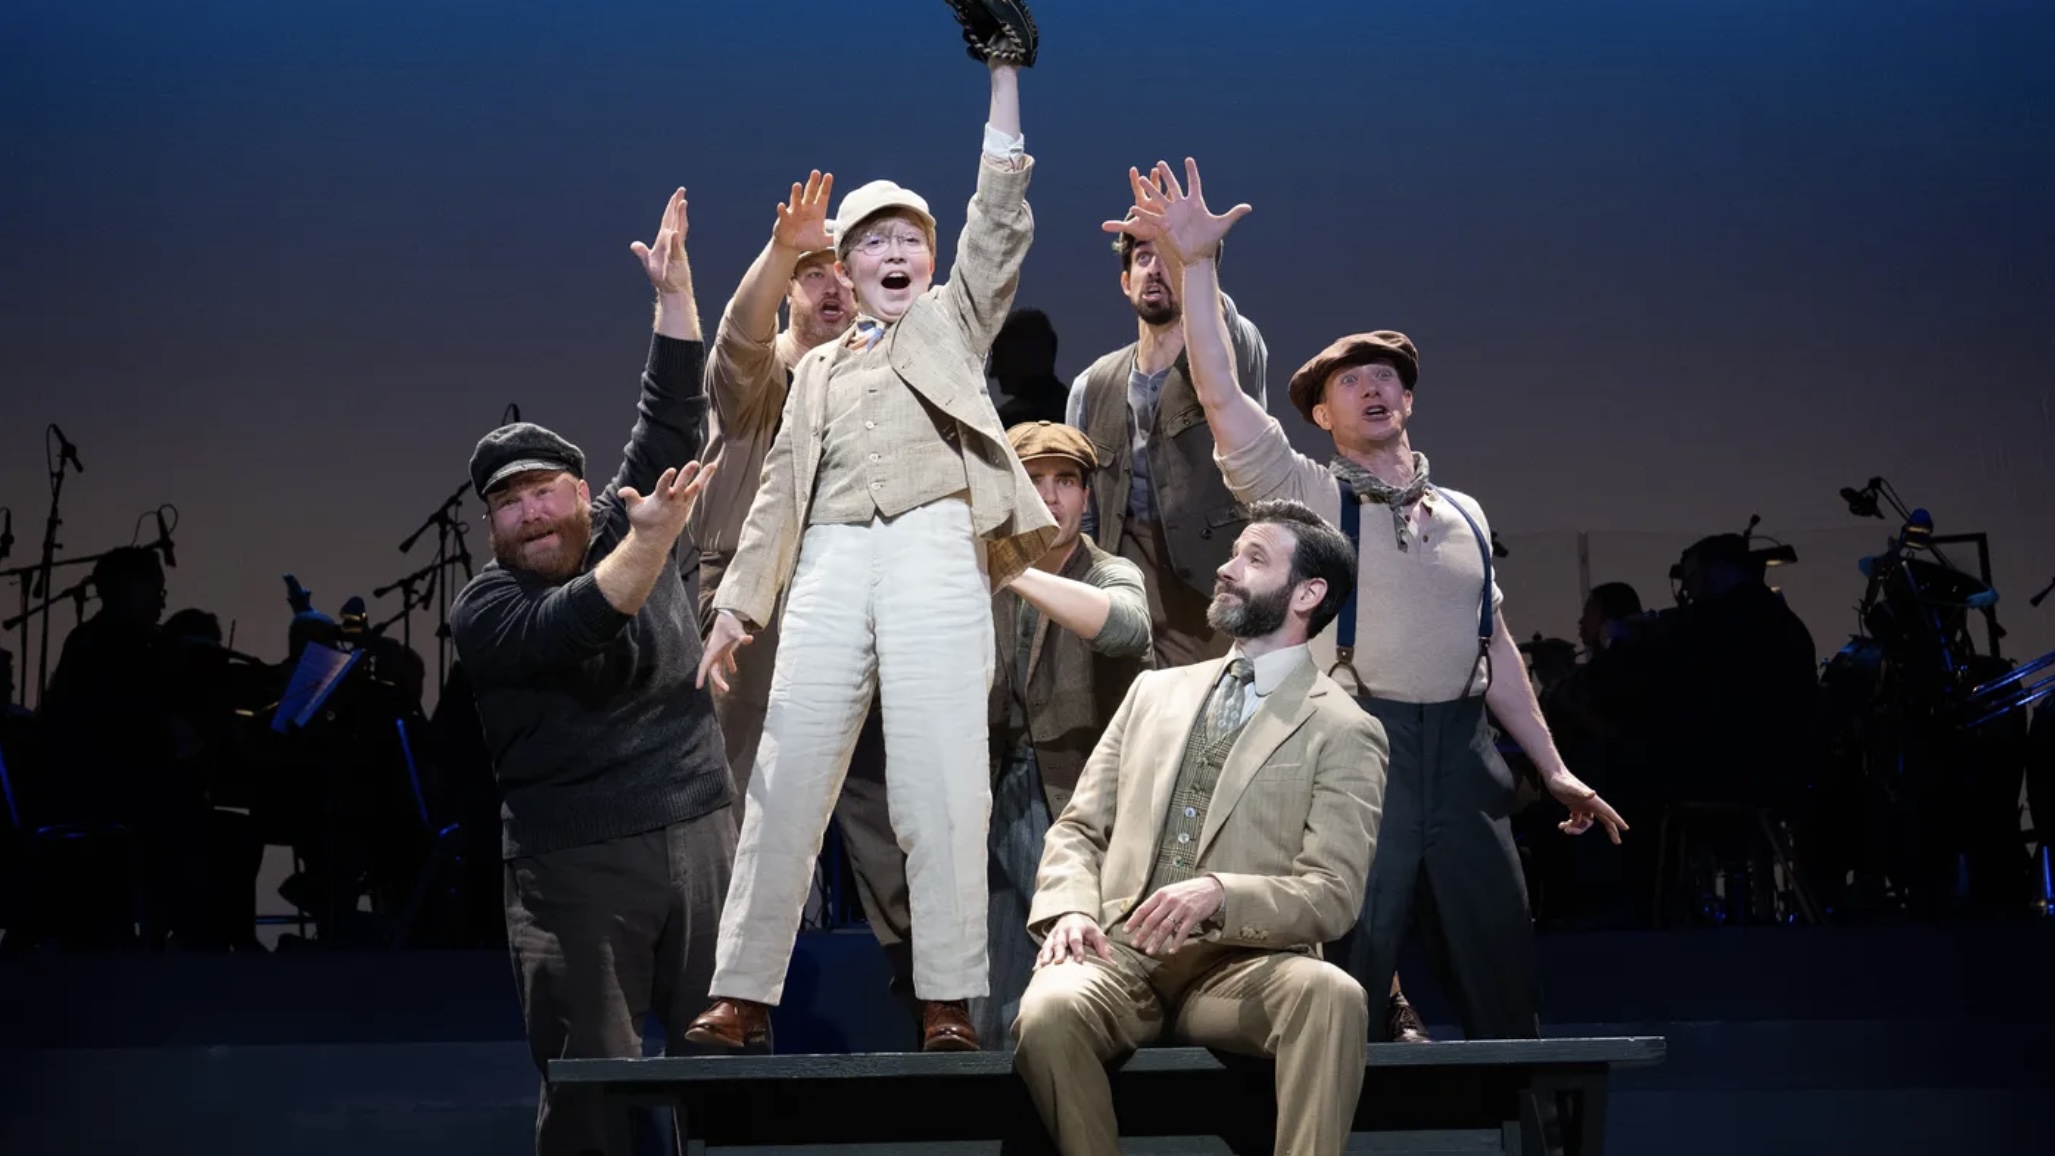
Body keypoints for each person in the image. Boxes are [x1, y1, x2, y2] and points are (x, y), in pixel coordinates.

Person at [1121, 158, 1625, 1043]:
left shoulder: (1463, 512)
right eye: (1349, 379)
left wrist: (1549, 767)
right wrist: (1196, 268)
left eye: (1386, 374)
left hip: (1465, 764)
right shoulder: (1310, 494)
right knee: (1348, 970)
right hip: (1361, 752)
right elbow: (1218, 394)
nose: (1372, 384)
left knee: (1503, 969)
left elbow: (1493, 647)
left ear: (1410, 397)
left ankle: (1527, 1132)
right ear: (1321, 414)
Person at [689, 46, 1056, 1053]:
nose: (897, 254)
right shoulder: (811, 376)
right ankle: (743, 995)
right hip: (831, 559)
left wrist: (1003, 84)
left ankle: (946, 1000)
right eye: (876, 243)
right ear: (844, 267)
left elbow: (998, 217)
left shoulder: (950, 322)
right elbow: (774, 499)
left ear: (929, 263)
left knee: (942, 778)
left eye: (911, 241)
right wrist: (736, 610)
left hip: (935, 547)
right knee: (786, 771)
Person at [448, 187, 733, 1155]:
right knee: (592, 1086)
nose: (526, 513)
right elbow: (581, 621)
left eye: (540, 491)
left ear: (582, 493)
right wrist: (648, 547)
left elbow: (668, 420)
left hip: (700, 835)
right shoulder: (486, 608)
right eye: (506, 504)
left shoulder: (622, 519)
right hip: (575, 868)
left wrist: (675, 300)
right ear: (491, 528)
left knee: (724, 1076)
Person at [1014, 498, 1386, 1156]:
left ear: (1308, 593)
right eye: (1232, 552)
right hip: (1119, 956)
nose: (1226, 567)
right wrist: (1069, 908)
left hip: (1242, 969)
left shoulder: (1344, 728)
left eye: (1253, 557)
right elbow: (1079, 828)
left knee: (1332, 994)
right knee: (1046, 1013)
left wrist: (1221, 892)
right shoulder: (1156, 692)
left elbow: (1332, 893)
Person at [691, 170, 917, 1019]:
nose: (829, 286)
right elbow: (736, 339)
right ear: (790, 285)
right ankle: (730, 991)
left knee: (878, 792)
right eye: (811, 271)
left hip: (854, 588)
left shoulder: (876, 370)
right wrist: (782, 245)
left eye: (838, 269)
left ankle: (924, 984)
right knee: (746, 791)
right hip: (751, 601)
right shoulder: (761, 377)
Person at [977, 420, 1151, 1044]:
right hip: (996, 790)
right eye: (1034, 480)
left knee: (1072, 984)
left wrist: (1015, 571)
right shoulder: (977, 571)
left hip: (1084, 795)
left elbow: (1130, 628)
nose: (1050, 498)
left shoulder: (1107, 570)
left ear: (1086, 497)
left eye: (1067, 482)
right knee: (992, 987)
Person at [1065, 190, 1269, 668]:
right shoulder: (1091, 384)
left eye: (1168, 257)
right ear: (1124, 280)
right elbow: (1086, 505)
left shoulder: (1234, 350)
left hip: (1211, 591)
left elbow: (1225, 333)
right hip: (1124, 590)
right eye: (1142, 258)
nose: (1155, 269)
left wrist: (1194, 259)